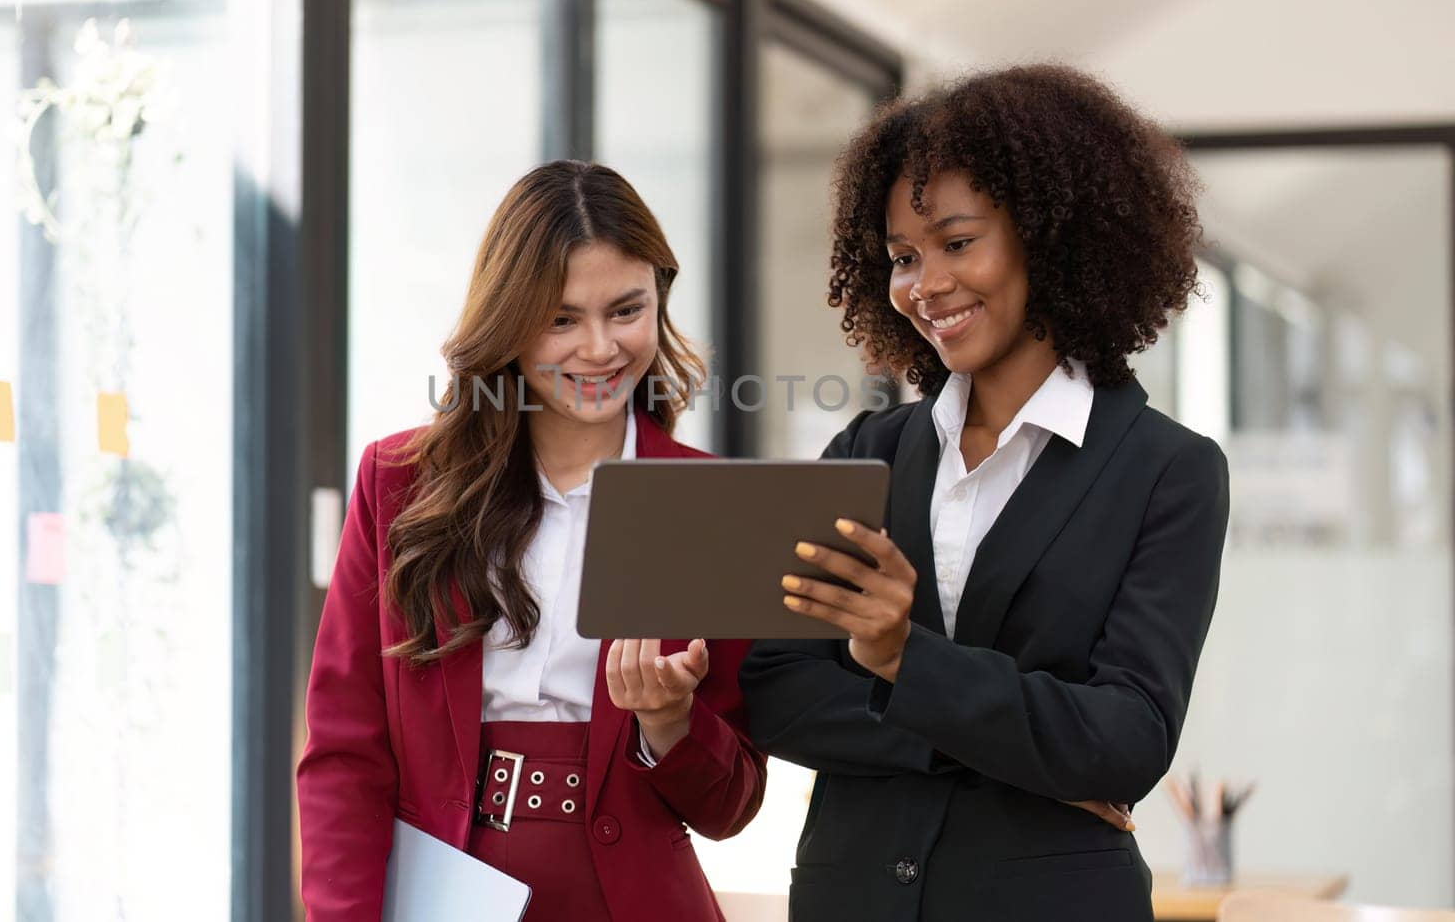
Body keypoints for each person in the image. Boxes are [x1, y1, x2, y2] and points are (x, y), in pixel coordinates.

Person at [741, 64, 1230, 921]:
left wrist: (901, 659)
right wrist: (1009, 748)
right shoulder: (866, 453)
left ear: (1049, 235)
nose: (925, 285)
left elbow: (1126, 739)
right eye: (902, 256)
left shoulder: (1168, 471)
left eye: (957, 242)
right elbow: (777, 691)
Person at [298, 160, 766, 921]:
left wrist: (669, 723)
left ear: (660, 300)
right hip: (437, 893)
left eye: (626, 310)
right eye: (560, 320)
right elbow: (344, 756)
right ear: (507, 322)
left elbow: (731, 804)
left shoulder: (709, 506)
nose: (599, 348)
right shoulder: (397, 485)